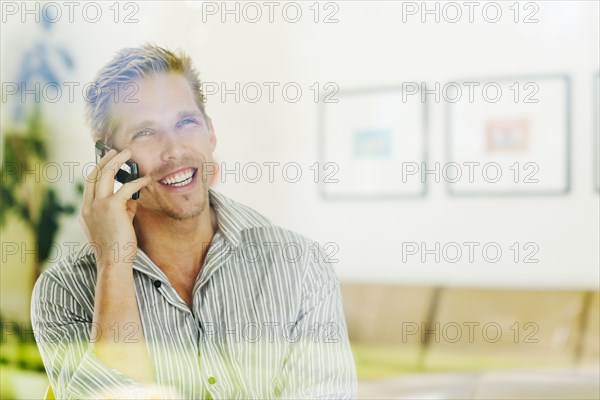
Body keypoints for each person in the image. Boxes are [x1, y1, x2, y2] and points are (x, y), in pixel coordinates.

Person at [31, 44, 357, 399]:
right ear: (110, 160)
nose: (174, 150)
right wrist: (114, 265)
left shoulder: (300, 266)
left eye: (185, 122)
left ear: (210, 133)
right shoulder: (63, 292)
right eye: (145, 132)